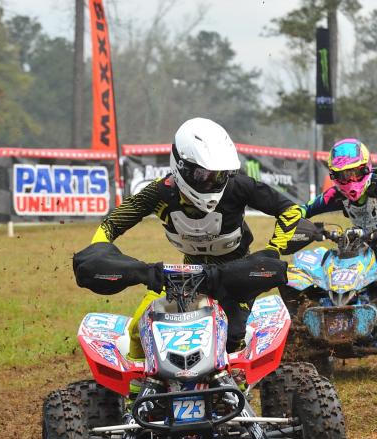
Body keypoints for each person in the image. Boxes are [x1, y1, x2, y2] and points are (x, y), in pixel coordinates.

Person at [73, 117, 303, 355]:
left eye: (220, 175)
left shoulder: (239, 187)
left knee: (233, 335)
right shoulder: (160, 192)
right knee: (139, 331)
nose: (213, 182)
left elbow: (290, 209)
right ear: (181, 166)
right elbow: (112, 224)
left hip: (237, 274)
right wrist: (99, 252)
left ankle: (236, 390)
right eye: (204, 175)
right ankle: (138, 391)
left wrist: (274, 250)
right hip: (184, 275)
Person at [294, 138, 377, 309]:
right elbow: (306, 209)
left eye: (355, 173)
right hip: (368, 242)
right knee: (334, 261)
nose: (350, 181)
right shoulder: (335, 195)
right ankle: (335, 306)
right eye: (343, 176)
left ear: (366, 168)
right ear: (334, 176)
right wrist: (288, 216)